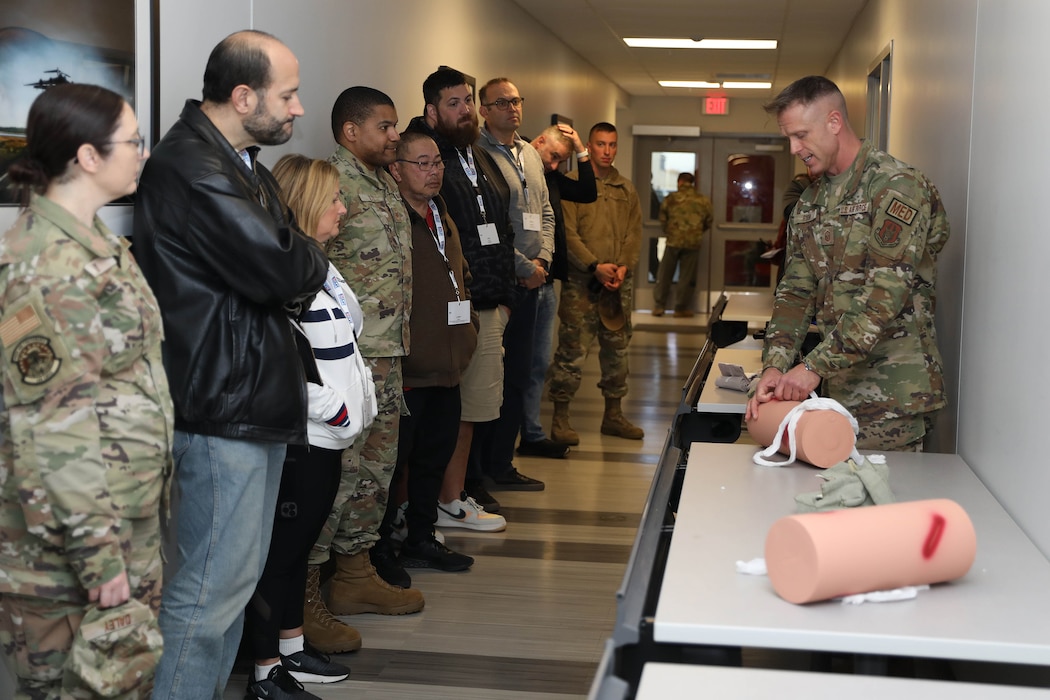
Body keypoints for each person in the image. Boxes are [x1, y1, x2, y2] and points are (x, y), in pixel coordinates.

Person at [132, 30, 330, 699]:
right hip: (222, 407)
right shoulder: (193, 166)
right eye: (288, 94)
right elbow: (284, 265)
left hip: (248, 402)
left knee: (230, 587)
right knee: (208, 594)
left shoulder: (242, 163)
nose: (299, 109)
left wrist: (296, 253)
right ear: (244, 97)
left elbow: (285, 254)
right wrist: (304, 255)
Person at [0, 83, 171, 698]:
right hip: (69, 555)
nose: (143, 154)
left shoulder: (96, 243)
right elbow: (52, 428)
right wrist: (100, 559)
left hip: (121, 527)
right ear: (88, 156)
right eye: (132, 142)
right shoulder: (45, 266)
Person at [745, 75, 950, 450]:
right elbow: (794, 293)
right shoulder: (809, 203)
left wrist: (811, 368)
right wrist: (774, 365)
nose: (794, 148)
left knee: (882, 506)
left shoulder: (894, 186)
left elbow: (881, 300)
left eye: (801, 135)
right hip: (832, 393)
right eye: (789, 137)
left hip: (891, 397)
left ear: (834, 122)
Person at [243, 155, 378, 699]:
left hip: (330, 437)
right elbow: (268, 364)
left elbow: (344, 340)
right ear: (305, 206)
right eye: (334, 201)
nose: (343, 210)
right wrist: (332, 409)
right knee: (281, 554)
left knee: (299, 551)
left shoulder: (317, 264)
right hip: (306, 438)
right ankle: (264, 670)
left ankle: (293, 650)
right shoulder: (279, 277)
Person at [302, 85, 424, 652]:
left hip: (387, 351)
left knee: (375, 470)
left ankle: (354, 574)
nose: (395, 135)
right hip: (347, 355)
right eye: (385, 126)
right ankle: (306, 592)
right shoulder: (330, 182)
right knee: (338, 472)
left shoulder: (382, 180)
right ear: (351, 131)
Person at [404, 68, 516, 529]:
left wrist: (505, 296)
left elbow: (498, 227)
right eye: (453, 102)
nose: (465, 109)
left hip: (488, 302)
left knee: (471, 409)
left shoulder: (476, 154)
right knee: (444, 415)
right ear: (431, 111)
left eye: (467, 100)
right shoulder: (428, 157)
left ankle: (453, 497)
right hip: (457, 307)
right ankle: (436, 503)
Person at [385, 131, 480, 572]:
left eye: (437, 162)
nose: (433, 171)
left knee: (432, 460)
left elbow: (458, 274)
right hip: (409, 370)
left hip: (448, 366)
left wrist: (470, 329)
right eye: (421, 163)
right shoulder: (391, 219)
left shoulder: (442, 213)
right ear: (396, 169)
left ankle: (421, 537)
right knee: (394, 466)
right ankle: (380, 551)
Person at [471, 77, 554, 483]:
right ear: (483, 110)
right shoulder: (477, 155)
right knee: (490, 381)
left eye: (516, 100)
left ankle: (503, 465)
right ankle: (481, 469)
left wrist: (544, 261)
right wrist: (525, 268)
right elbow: (490, 227)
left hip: (534, 280)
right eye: (501, 102)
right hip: (502, 283)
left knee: (520, 376)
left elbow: (547, 212)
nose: (511, 108)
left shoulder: (530, 154)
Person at [548, 122, 644, 443]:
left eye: (612, 145)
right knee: (572, 351)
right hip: (582, 284)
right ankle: (560, 419)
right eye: (601, 144)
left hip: (617, 285)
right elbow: (568, 235)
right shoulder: (573, 185)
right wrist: (594, 266)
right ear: (588, 146)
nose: (607, 151)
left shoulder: (626, 189)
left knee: (617, 351)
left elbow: (634, 234)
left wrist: (622, 268)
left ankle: (613, 416)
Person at [518, 124, 597, 457]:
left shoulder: (549, 178)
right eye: (553, 157)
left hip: (546, 281)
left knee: (538, 364)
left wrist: (581, 149)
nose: (554, 166)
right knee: (515, 365)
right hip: (520, 280)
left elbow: (588, 192)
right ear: (538, 143)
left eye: (560, 161)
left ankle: (532, 434)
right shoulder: (517, 171)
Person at [652, 172, 713, 318]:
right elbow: (708, 221)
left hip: (673, 241)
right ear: (692, 183)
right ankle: (680, 308)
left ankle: (659, 306)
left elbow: (662, 219)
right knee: (686, 277)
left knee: (664, 274)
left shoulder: (671, 199)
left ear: (679, 182)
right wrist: (696, 232)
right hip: (692, 243)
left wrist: (670, 231)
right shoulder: (703, 200)